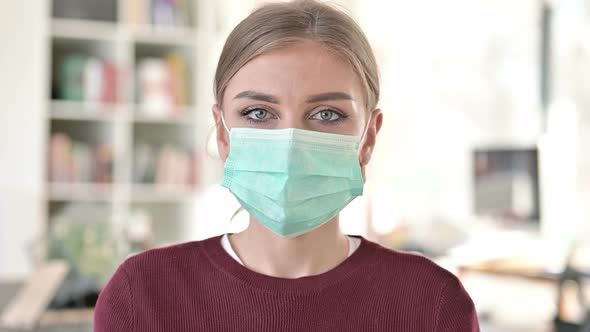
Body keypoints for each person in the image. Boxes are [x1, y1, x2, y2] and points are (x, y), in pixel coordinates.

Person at [94, 1, 480, 331]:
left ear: (369, 138)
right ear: (224, 134)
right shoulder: (142, 296)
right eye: (258, 112)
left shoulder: (432, 304)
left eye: (327, 114)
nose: (291, 141)